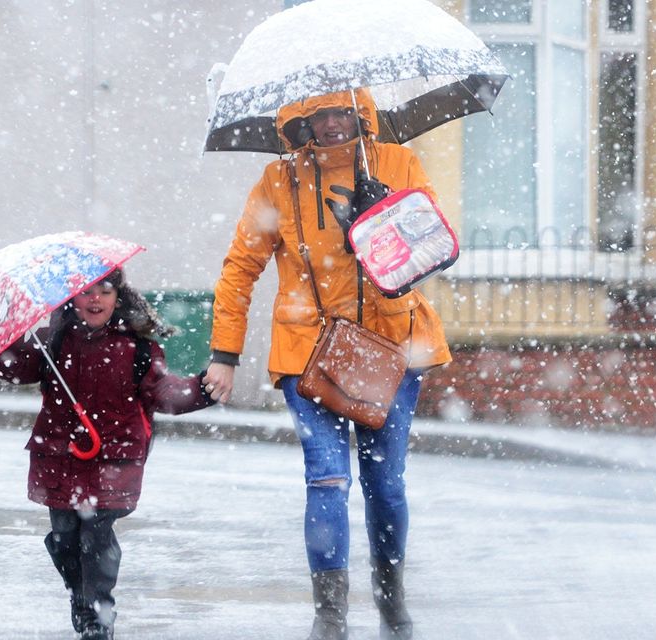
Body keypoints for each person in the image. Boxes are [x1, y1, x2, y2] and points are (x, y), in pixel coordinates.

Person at [202, 88, 452, 640]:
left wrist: (382, 218)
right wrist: (224, 353)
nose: (333, 125)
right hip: (308, 353)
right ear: (300, 122)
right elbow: (240, 268)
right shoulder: (279, 180)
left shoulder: (397, 162)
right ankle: (330, 616)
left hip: (391, 349)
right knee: (327, 480)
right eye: (320, 115)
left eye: (342, 112)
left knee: (384, 486)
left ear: (361, 112)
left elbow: (433, 247)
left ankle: (391, 599)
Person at [0, 268, 214, 640]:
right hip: (60, 457)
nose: (95, 298)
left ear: (118, 296)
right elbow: (16, 370)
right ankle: (81, 599)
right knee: (65, 538)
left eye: (105, 290)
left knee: (95, 533)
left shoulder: (137, 348)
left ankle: (98, 614)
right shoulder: (54, 341)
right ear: (72, 299)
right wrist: (6, 339)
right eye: (86, 291)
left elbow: (166, 393)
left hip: (114, 459)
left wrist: (205, 387)